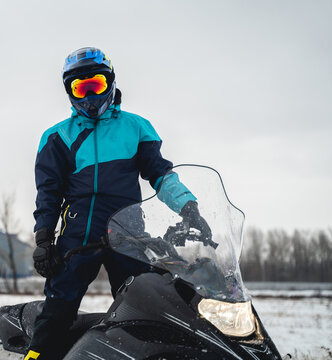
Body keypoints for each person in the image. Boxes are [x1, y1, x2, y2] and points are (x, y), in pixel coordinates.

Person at [25, 47, 211, 360]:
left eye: (94, 85)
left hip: (128, 233)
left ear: (109, 83)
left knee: (146, 310)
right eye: (79, 88)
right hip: (78, 235)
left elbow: (161, 176)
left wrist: (188, 208)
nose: (88, 97)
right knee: (59, 309)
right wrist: (44, 239)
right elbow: (48, 193)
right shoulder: (57, 137)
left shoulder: (136, 128)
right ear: (69, 92)